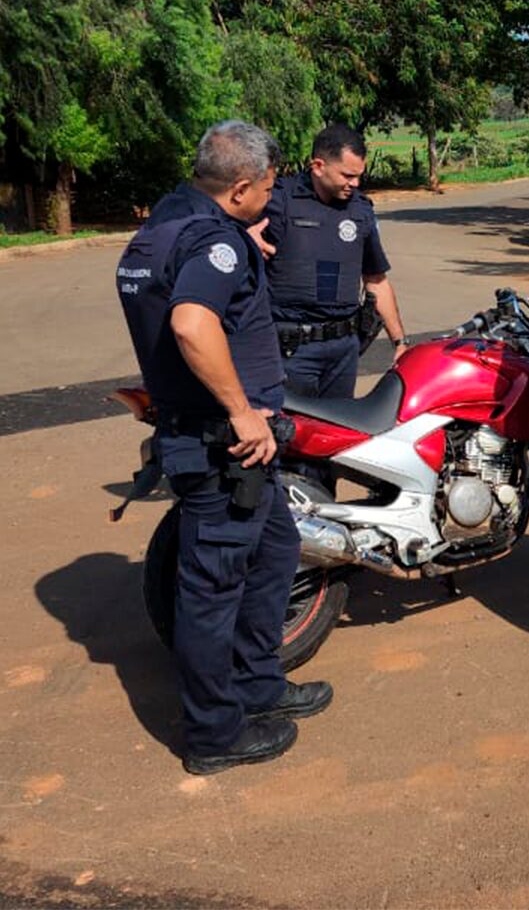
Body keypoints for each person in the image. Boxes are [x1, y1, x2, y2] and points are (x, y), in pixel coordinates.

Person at [115, 120, 332, 774]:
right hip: (221, 444)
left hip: (226, 446)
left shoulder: (165, 226)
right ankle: (214, 734)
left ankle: (258, 685)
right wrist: (241, 411)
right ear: (240, 188)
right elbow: (190, 321)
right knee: (212, 590)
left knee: (278, 549)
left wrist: (240, 245)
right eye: (267, 186)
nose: (273, 196)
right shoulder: (214, 243)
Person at [250, 124, 406, 399]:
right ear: (318, 166)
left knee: (337, 436)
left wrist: (400, 342)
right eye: (347, 176)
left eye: (359, 176)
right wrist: (243, 235)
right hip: (290, 351)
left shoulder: (360, 211)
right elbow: (221, 218)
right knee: (286, 435)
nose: (355, 184)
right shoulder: (277, 200)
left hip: (343, 352)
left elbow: (376, 280)